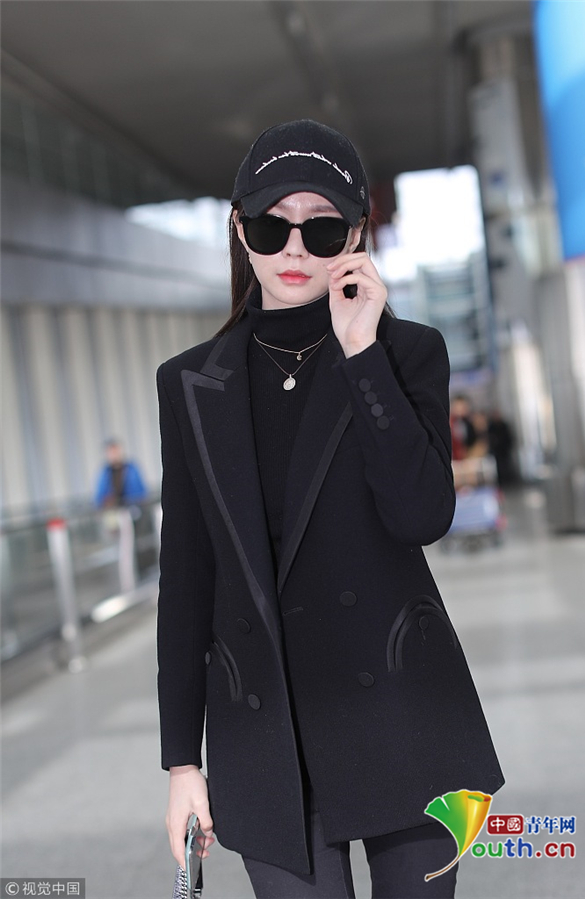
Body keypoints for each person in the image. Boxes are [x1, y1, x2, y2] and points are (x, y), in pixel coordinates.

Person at [156, 120, 504, 899]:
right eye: (271, 225)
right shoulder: (190, 383)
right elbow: (187, 578)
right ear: (239, 228)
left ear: (356, 234)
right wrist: (182, 761)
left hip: (404, 714)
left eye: (320, 229)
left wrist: (361, 353)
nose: (294, 249)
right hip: (264, 731)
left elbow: (422, 515)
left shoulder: (405, 353)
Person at [93, 438, 147, 508]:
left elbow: (141, 493)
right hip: (114, 510)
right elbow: (99, 497)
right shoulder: (104, 474)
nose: (114, 455)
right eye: (111, 453)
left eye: (115, 452)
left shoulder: (131, 469)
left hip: (132, 507)